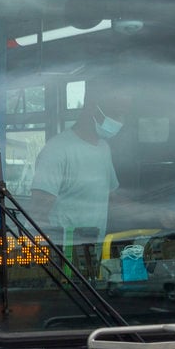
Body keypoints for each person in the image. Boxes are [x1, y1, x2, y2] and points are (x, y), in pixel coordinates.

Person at [30, 103, 122, 247]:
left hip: (92, 256)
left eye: (123, 116)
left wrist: (155, 213)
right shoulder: (57, 149)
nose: (120, 122)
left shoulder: (104, 148)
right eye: (116, 114)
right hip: (63, 258)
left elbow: (113, 198)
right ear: (93, 108)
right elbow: (38, 215)